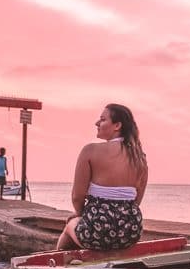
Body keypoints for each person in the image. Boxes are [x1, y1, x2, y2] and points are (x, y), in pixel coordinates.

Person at [56, 103, 148, 251]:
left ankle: (54, 268)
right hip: (130, 232)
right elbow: (137, 200)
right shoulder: (139, 157)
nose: (97, 123)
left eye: (102, 119)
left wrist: (79, 215)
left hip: (96, 232)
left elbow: (77, 197)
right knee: (80, 226)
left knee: (70, 226)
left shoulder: (90, 151)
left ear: (117, 125)